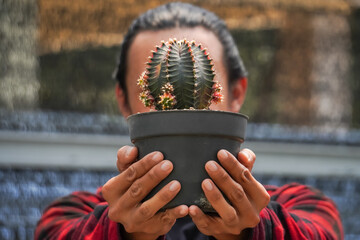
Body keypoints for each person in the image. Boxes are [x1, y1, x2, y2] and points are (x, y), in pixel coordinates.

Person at [35, 2, 343, 240]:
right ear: (124, 102)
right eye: (153, 96)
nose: (179, 118)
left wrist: (253, 229)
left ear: (236, 94)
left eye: (204, 94)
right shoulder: (74, 211)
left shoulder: (296, 203)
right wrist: (124, 231)